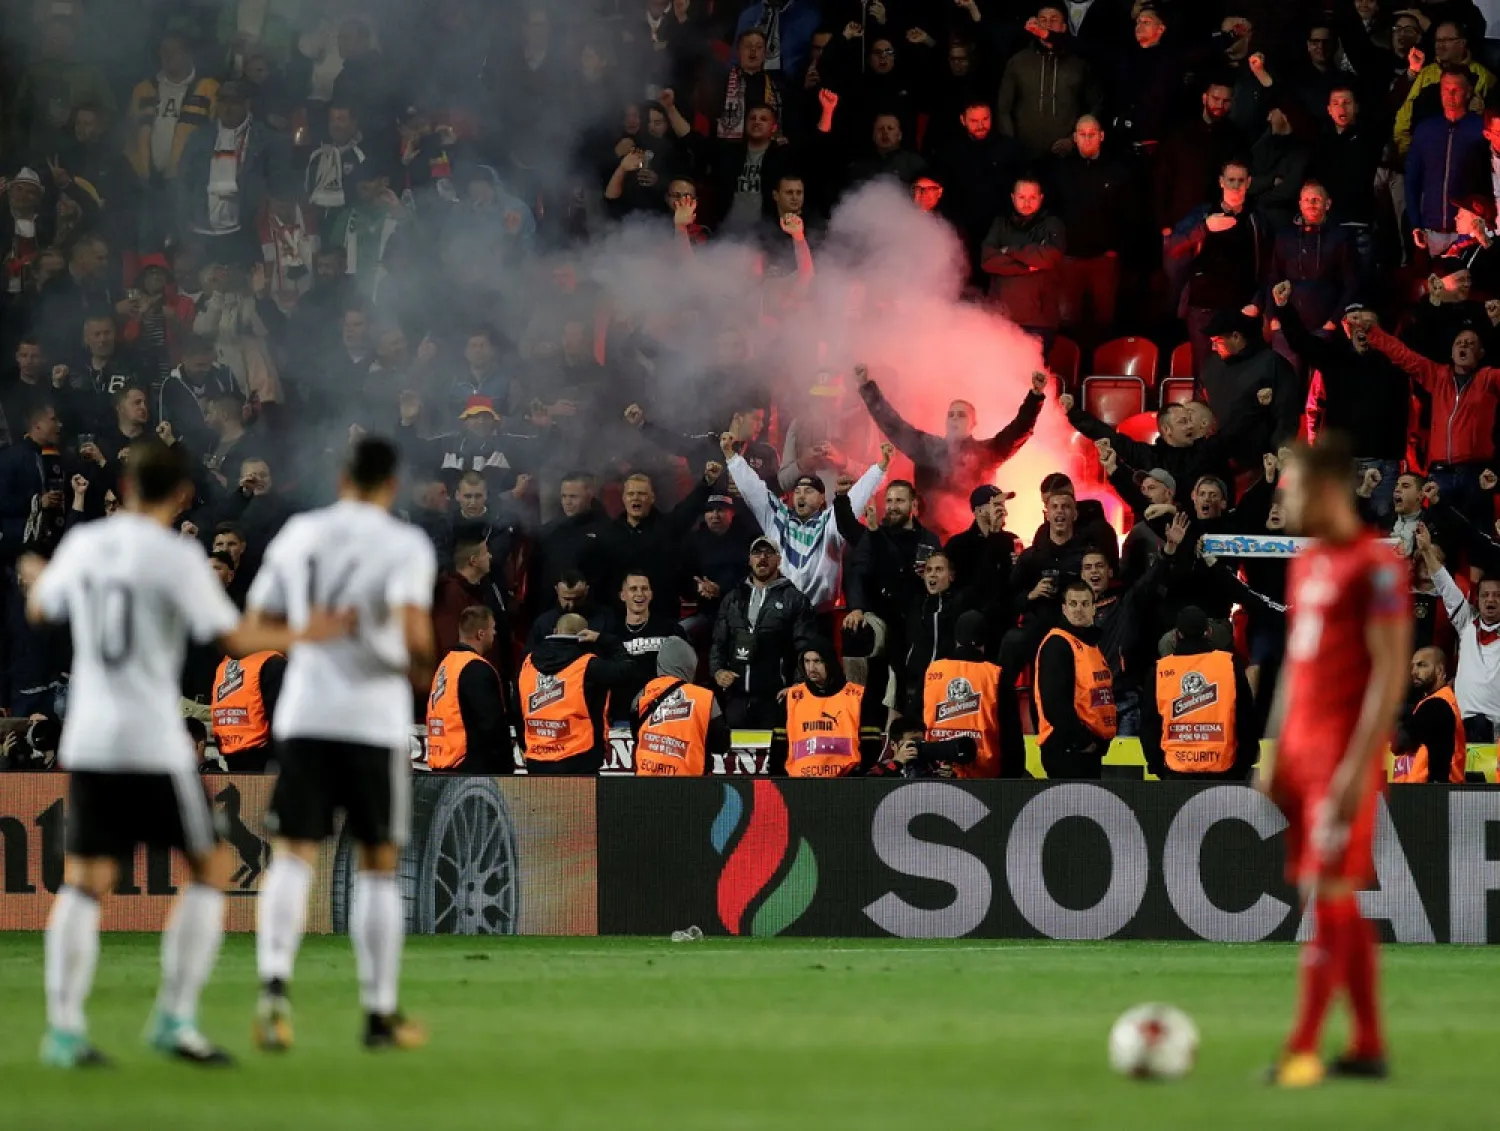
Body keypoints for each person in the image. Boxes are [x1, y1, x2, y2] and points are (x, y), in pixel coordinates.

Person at [21, 439, 328, 1067]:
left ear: (127, 488)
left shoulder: (85, 545)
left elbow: (39, 606)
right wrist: (307, 631)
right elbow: (235, 636)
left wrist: (34, 574)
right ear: (182, 495)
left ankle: (64, 1030)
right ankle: (174, 1019)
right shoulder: (176, 557)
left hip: (91, 737)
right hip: (153, 740)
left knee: (84, 883)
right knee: (212, 868)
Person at [246, 438, 438, 1053]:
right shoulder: (404, 544)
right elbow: (413, 638)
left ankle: (274, 991)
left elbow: (252, 627)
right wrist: (413, 662)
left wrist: (311, 634)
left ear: (341, 477)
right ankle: (378, 1014)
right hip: (372, 723)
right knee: (379, 865)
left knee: (293, 854)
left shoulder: (300, 533)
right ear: (392, 483)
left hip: (305, 715)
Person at [1262, 434, 1411, 1086]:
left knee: (1325, 897)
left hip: (1343, 755)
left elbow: (1388, 671)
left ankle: (1301, 1048)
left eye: (1290, 486)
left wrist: (1358, 764)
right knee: (1335, 899)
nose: (1282, 498)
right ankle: (1370, 1044)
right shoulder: (1307, 562)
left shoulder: (1378, 567)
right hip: (1301, 751)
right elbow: (1297, 665)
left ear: (1323, 487)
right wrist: (1275, 750)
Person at [856, 364, 1045, 528]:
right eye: (951, 414)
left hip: (970, 537)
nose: (954, 418)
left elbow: (1017, 432)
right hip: (928, 536)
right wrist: (866, 387)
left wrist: (1035, 397)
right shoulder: (926, 449)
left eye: (961, 415)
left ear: (973, 423)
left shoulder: (986, 454)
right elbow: (893, 425)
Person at [722, 430, 885, 613]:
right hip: (781, 611)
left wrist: (881, 467)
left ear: (822, 497)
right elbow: (753, 488)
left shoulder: (830, 521)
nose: (801, 495)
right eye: (798, 491)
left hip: (821, 614)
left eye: (808, 491)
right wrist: (731, 456)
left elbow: (858, 495)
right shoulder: (777, 518)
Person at [710, 537, 817, 729]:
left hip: (775, 697)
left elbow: (805, 647)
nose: (762, 558)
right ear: (749, 560)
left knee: (775, 756)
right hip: (737, 696)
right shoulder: (733, 599)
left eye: (769, 553)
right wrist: (718, 671)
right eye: (757, 553)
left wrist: (797, 686)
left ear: (779, 559)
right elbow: (718, 643)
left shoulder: (795, 599)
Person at [1141, 605, 1258, 780]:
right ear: (1208, 632)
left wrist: (1158, 767)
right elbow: (1246, 719)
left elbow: (1149, 724)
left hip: (1176, 771)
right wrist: (1241, 766)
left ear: (1177, 635)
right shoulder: (1229, 665)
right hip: (1224, 770)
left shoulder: (1159, 670)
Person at [517, 613, 638, 774]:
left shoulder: (527, 663)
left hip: (537, 759)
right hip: (579, 759)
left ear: (555, 630)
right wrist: (604, 639)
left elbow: (517, 710)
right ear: (585, 635)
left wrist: (525, 747)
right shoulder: (588, 665)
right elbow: (628, 668)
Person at [1414, 523, 1500, 740]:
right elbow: (1446, 587)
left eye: (1497, 595)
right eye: (1485, 595)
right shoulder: (1466, 623)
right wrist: (1426, 551)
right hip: (1461, 727)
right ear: (1477, 600)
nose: (1490, 600)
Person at [1033, 579, 1116, 778]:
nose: (1079, 609)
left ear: (1094, 608)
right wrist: (1084, 741)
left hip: (1087, 749)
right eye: (1073, 604)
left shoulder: (1090, 645)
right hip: (1068, 749)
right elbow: (1054, 704)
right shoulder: (1058, 644)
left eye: (1085, 604)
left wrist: (1099, 742)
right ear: (1064, 608)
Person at [772, 640, 884, 777]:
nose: (811, 668)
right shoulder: (791, 697)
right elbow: (778, 748)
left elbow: (871, 746)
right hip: (799, 783)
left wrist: (860, 778)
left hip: (847, 782)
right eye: (807, 661)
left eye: (817, 661)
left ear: (829, 662)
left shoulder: (858, 696)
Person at [426, 606, 513, 775]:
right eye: (493, 628)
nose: (495, 633)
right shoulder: (475, 668)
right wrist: (505, 766)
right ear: (481, 634)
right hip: (469, 768)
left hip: (442, 762)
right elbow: (491, 725)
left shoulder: (446, 664)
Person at [922, 609, 1005, 778]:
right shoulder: (995, 674)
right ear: (984, 641)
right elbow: (1010, 732)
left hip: (936, 770)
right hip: (984, 775)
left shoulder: (932, 670)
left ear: (956, 639)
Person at [633, 636, 729, 776]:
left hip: (647, 783)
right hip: (691, 785)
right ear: (690, 663)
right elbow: (722, 744)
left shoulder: (642, 695)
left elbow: (636, 736)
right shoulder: (705, 697)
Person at [1391, 646, 1467, 784]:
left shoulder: (1438, 704)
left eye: (1422, 665)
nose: (1414, 672)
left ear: (1440, 671)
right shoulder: (1431, 702)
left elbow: (1399, 743)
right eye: (1412, 666)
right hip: (1421, 793)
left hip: (1433, 794)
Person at [209, 649, 286, 772]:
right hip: (264, 759)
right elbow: (281, 720)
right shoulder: (272, 663)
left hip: (230, 754)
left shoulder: (223, 665)